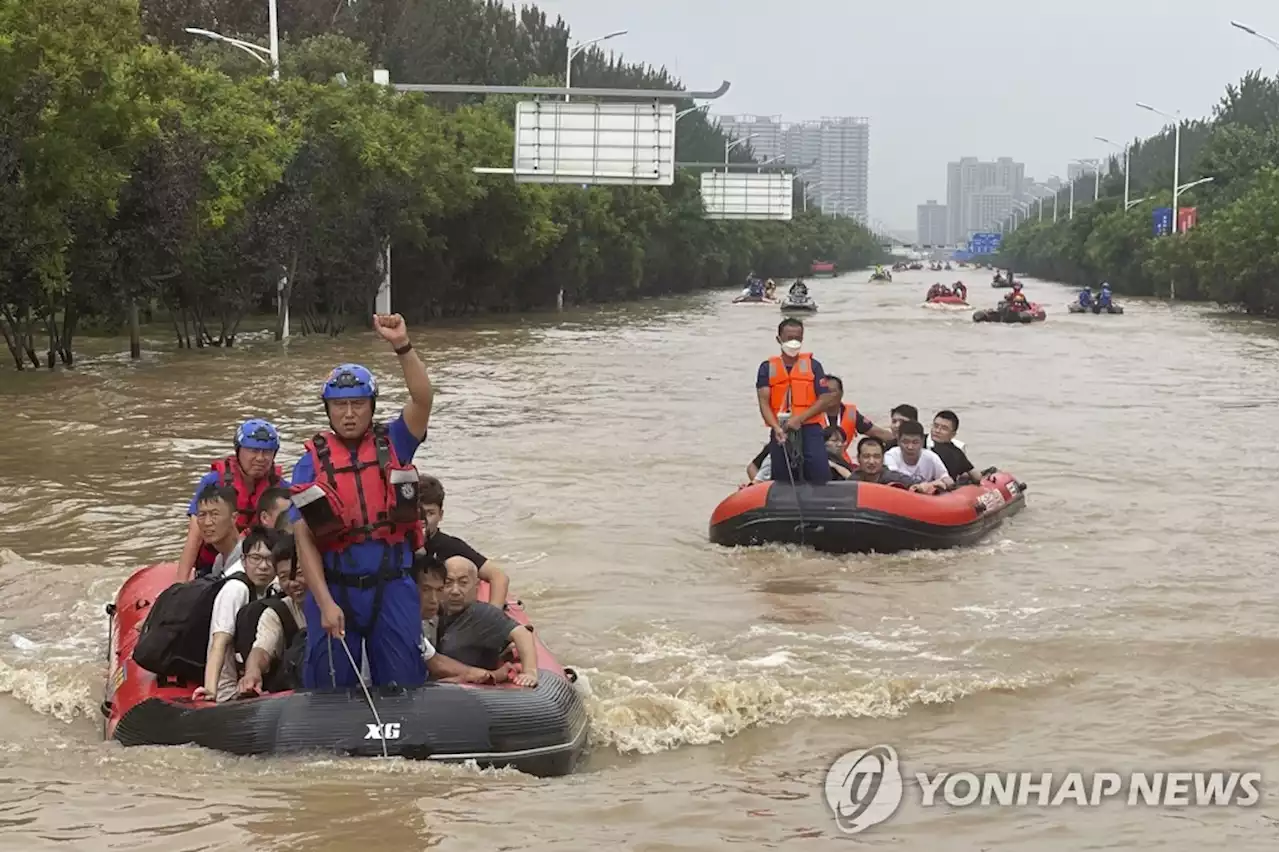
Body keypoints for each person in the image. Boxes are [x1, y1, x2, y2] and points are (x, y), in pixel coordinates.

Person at [289, 314, 434, 690]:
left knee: (404, 683)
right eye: (340, 406)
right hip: (336, 588)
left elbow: (423, 398)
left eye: (357, 404)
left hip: (393, 584)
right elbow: (304, 538)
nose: (349, 413)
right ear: (328, 410)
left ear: (371, 407)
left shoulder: (396, 441)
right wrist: (323, 602)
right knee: (328, 685)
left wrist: (402, 345)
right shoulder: (310, 463)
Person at [177, 419, 286, 582]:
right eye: (253, 450)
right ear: (239, 451)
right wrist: (180, 584)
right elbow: (195, 535)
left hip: (262, 565)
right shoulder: (214, 482)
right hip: (213, 563)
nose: (260, 458)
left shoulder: (281, 489)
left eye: (267, 452)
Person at [194, 525, 280, 702]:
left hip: (256, 683)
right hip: (229, 691)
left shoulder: (275, 588)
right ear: (243, 560)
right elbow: (219, 642)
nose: (263, 566)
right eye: (256, 558)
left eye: (270, 559)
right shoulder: (236, 590)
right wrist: (210, 689)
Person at [756, 318, 838, 485]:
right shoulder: (767, 368)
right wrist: (776, 428)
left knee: (819, 473)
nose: (793, 342)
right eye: (789, 338)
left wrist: (800, 419)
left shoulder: (814, 366)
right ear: (779, 339)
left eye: (797, 338)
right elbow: (764, 403)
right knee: (782, 476)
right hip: (781, 428)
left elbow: (824, 399)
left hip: (810, 428)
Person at [436, 556, 538, 687]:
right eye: (448, 583)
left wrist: (529, 672)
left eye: (463, 583)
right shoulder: (433, 611)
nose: (455, 591)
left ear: (476, 586)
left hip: (473, 687)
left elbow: (522, 634)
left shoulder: (483, 614)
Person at [415, 554, 513, 684]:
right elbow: (435, 665)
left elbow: (434, 661)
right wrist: (491, 675)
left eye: (439, 590)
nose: (434, 599)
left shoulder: (481, 613)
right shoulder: (406, 623)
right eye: (426, 590)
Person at [417, 474, 510, 610]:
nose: (424, 521)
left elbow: (499, 576)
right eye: (419, 514)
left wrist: (492, 617)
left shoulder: (449, 546)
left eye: (430, 513)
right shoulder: (395, 546)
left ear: (440, 515)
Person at [235, 533, 306, 696]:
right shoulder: (277, 612)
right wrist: (252, 673)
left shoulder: (335, 603)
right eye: (285, 577)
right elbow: (261, 649)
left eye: (300, 574)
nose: (293, 583)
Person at [825, 375, 893, 461]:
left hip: (842, 460)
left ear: (841, 393)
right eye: (825, 391)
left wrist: (901, 441)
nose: (828, 395)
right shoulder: (811, 413)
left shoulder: (850, 413)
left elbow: (877, 433)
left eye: (833, 391)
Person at [884, 421, 953, 494]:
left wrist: (947, 482)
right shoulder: (890, 455)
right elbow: (893, 479)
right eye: (905, 442)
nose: (910, 447)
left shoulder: (931, 457)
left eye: (915, 442)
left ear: (922, 442)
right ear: (898, 441)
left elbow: (945, 478)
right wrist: (929, 484)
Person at [194, 485, 245, 580]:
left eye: (215, 514)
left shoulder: (245, 558)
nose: (207, 522)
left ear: (234, 518)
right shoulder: (219, 560)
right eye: (202, 515)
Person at [927, 410, 976, 483]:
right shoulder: (917, 442)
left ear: (953, 434)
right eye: (935, 426)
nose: (937, 430)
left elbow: (976, 476)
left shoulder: (956, 453)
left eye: (944, 428)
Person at [849, 437, 914, 487]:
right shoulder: (852, 482)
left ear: (883, 459)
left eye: (876, 456)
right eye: (866, 456)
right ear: (858, 458)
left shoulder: (894, 478)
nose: (871, 461)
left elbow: (918, 485)